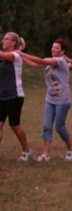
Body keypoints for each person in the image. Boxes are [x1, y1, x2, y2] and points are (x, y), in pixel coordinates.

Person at [19, 39, 72, 161]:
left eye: (56, 48)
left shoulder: (60, 60)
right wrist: (19, 54)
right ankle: (46, 154)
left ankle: (71, 149)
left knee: (59, 127)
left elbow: (40, 60)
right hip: (50, 98)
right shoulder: (51, 61)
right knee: (47, 126)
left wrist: (22, 54)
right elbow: (34, 63)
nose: (53, 49)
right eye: (52, 47)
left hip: (62, 99)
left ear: (63, 51)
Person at [0, 32, 32, 161]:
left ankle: (26, 150)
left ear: (13, 43)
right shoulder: (3, 57)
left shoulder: (16, 55)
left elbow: (5, 55)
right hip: (2, 95)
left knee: (14, 125)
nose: (3, 41)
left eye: (6, 39)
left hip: (15, 95)